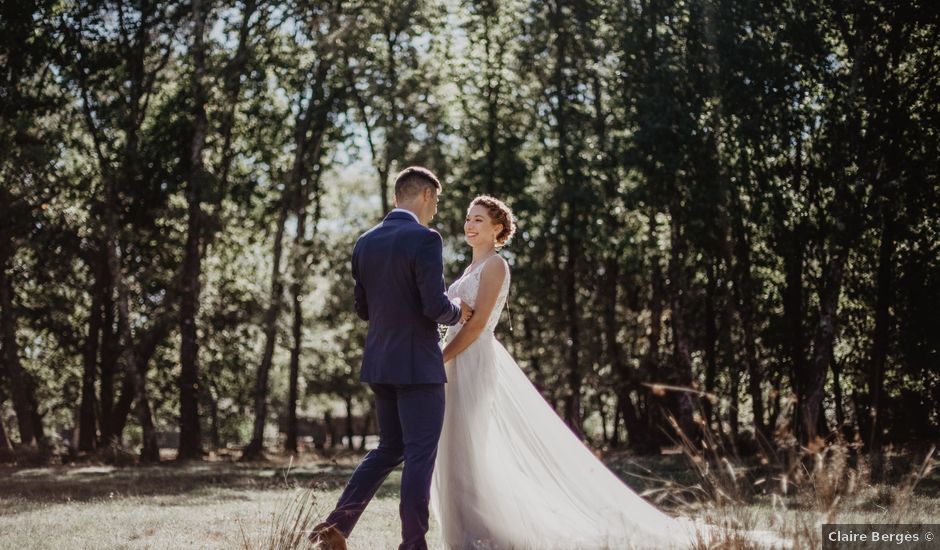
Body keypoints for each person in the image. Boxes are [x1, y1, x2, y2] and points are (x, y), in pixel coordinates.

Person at [430, 195, 727, 549]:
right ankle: (461, 528)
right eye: (468, 218)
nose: (470, 225)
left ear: (497, 228)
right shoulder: (467, 269)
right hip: (453, 361)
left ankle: (481, 531)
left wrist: (441, 357)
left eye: (479, 219)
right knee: (452, 445)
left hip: (472, 360)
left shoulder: (495, 266)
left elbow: (478, 324)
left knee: (470, 446)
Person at [310, 167, 473, 550]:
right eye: (437, 202)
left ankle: (334, 529)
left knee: (388, 448)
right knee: (419, 454)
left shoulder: (365, 242)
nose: (435, 211)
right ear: (427, 195)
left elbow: (363, 309)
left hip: (380, 363)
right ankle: (413, 545)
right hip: (418, 365)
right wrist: (459, 311)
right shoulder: (426, 239)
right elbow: (435, 306)